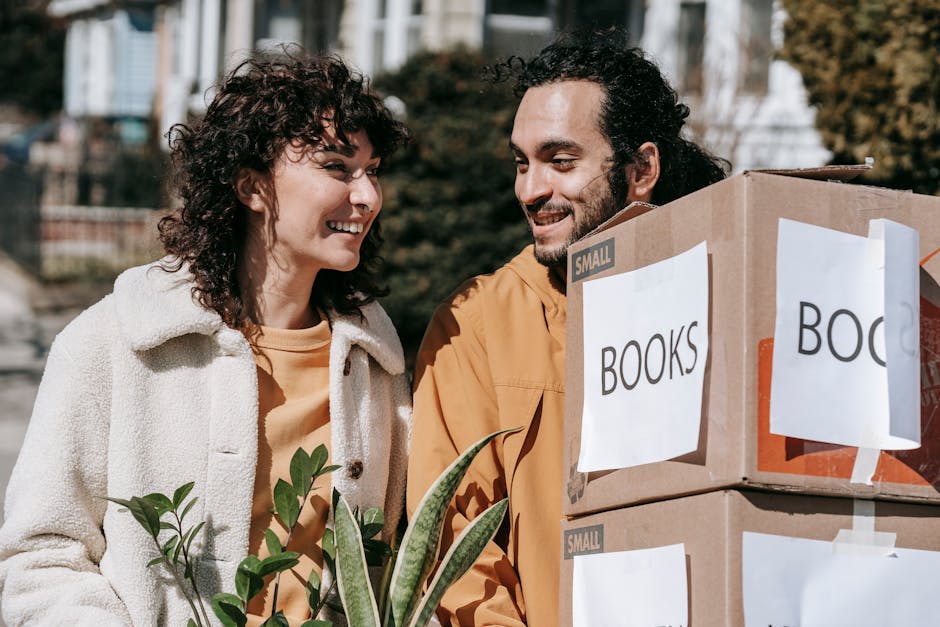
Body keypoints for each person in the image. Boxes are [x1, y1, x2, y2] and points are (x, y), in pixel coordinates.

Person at [0, 53, 411, 625]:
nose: (367, 196)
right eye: (337, 167)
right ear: (250, 186)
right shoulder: (113, 342)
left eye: (373, 169)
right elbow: (40, 555)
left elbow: (402, 563)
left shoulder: (377, 362)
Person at [407, 29, 729, 626]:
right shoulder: (476, 324)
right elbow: (453, 556)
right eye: (521, 163)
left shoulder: (725, 294)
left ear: (641, 169)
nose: (530, 190)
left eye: (560, 162)